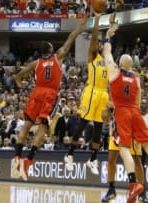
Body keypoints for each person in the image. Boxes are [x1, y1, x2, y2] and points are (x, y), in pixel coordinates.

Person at [11, 16, 88, 181]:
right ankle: (28, 160)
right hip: (49, 94)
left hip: (36, 93)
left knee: (26, 125)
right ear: (51, 49)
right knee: (43, 128)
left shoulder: (35, 63)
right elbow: (70, 38)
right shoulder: (58, 56)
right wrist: (80, 26)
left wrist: (20, 83)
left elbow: (17, 76)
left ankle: (17, 156)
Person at [102, 19, 148, 202]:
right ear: (131, 65)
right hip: (135, 112)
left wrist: (108, 36)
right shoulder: (136, 77)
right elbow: (139, 99)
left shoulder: (114, 71)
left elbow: (106, 52)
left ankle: (134, 185)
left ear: (120, 63)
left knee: (124, 149)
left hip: (122, 112)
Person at [64, 12, 109, 175]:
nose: (100, 45)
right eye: (98, 44)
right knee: (83, 122)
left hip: (103, 93)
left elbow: (108, 42)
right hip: (92, 91)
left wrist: (111, 29)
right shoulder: (92, 56)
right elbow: (95, 38)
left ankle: (93, 158)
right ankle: (69, 155)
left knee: (99, 126)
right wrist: (97, 20)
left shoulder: (108, 60)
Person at [101, 102, 148, 203]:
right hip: (116, 133)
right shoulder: (113, 98)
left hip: (131, 133)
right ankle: (111, 189)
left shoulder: (132, 95)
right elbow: (104, 118)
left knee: (137, 161)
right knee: (110, 160)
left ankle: (142, 192)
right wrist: (107, 110)